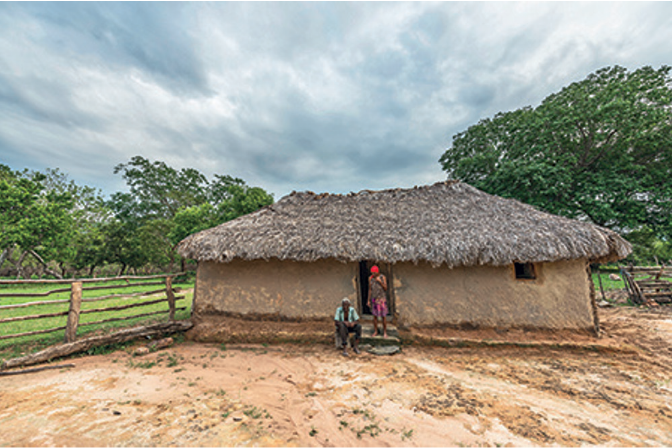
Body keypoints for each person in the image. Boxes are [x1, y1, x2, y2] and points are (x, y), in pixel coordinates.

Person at [368, 265, 388, 338]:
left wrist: (380, 282)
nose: (373, 274)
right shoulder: (370, 278)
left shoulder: (382, 277)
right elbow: (370, 289)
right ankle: (376, 331)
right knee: (375, 317)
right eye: (372, 273)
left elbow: (385, 288)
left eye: (374, 273)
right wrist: (368, 300)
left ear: (377, 272)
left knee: (383, 316)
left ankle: (385, 332)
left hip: (381, 299)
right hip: (374, 299)